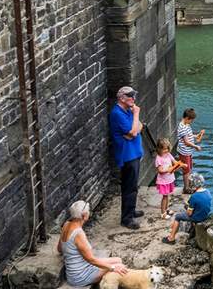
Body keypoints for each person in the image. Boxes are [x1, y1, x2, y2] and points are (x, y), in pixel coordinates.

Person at [58, 200, 128, 286]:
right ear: (84, 216)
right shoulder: (78, 234)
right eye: (88, 212)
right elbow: (91, 260)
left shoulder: (66, 224)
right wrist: (113, 268)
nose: (89, 213)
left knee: (118, 260)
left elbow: (59, 248)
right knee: (119, 265)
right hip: (80, 276)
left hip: (77, 271)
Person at [109, 86, 144, 229]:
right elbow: (133, 132)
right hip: (127, 156)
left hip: (134, 153)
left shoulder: (127, 110)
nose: (133, 99)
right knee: (129, 187)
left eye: (134, 96)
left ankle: (131, 210)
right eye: (130, 96)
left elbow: (138, 128)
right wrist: (136, 116)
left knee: (133, 186)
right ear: (122, 98)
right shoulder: (117, 113)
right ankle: (126, 219)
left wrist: (133, 129)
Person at [160, 173, 212, 245]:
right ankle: (191, 230)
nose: (190, 184)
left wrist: (188, 207)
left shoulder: (194, 196)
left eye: (190, 182)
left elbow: (189, 213)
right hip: (205, 215)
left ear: (193, 184)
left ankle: (171, 238)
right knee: (189, 208)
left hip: (198, 217)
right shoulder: (207, 191)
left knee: (178, 216)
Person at [175, 107, 205, 194]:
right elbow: (186, 142)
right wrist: (196, 146)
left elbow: (189, 135)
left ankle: (188, 185)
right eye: (191, 120)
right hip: (184, 152)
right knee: (186, 170)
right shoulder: (182, 127)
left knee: (189, 168)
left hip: (188, 152)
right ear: (187, 118)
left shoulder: (186, 125)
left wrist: (197, 135)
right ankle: (186, 188)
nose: (191, 122)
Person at [154, 138, 186, 218]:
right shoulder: (159, 158)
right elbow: (160, 170)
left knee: (167, 195)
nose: (166, 151)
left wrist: (181, 165)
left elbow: (175, 162)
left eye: (167, 149)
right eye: (164, 149)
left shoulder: (168, 154)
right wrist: (168, 169)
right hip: (163, 181)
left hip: (169, 179)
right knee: (164, 197)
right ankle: (163, 213)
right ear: (159, 149)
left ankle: (166, 209)